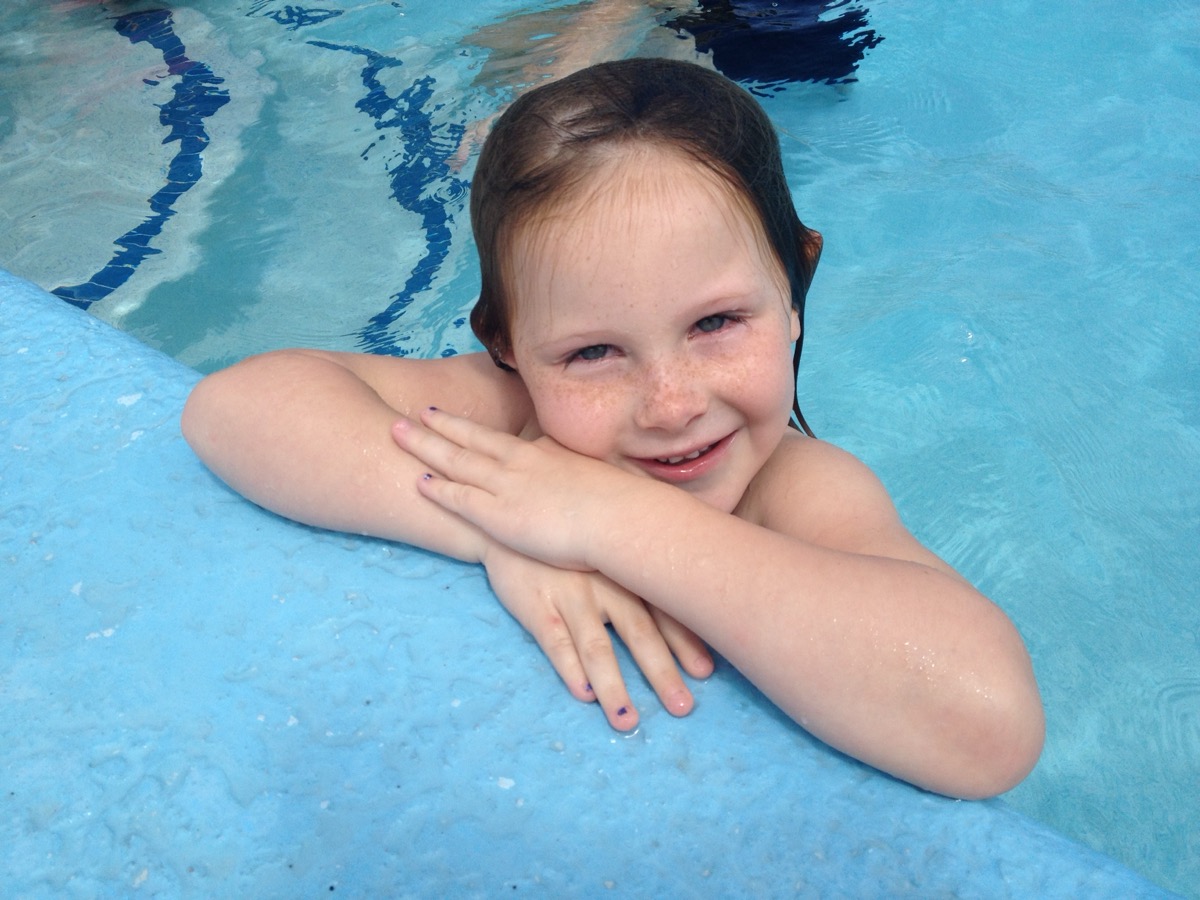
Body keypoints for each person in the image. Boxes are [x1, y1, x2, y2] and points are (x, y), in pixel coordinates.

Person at [182, 58, 1043, 799]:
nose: (670, 405)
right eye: (594, 351)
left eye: (715, 324)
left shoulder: (796, 487)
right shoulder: (514, 409)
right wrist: (499, 529)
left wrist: (608, 520)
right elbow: (238, 407)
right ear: (506, 346)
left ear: (795, 291)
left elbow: (986, 726)